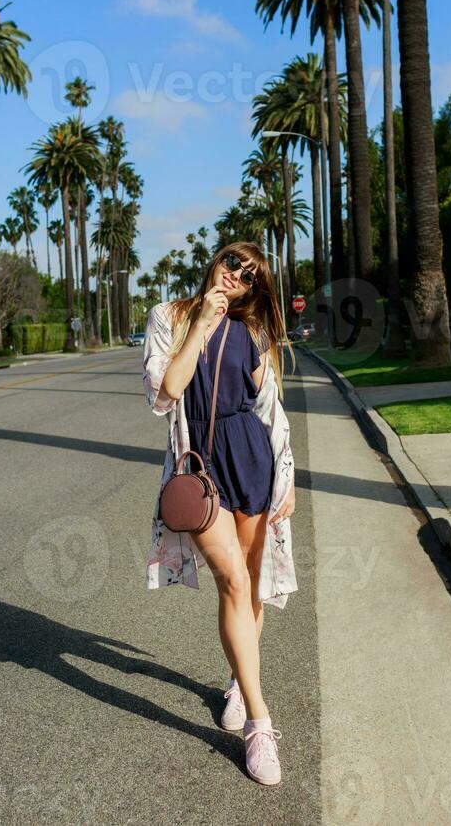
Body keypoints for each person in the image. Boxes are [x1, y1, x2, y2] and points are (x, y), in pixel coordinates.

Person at [141, 241, 298, 786]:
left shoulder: (253, 332)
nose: (237, 275)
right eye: (232, 262)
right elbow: (166, 392)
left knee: (249, 586)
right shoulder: (169, 317)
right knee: (231, 580)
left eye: (250, 275)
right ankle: (260, 723)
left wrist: (289, 474)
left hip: (251, 458)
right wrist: (204, 319)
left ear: (256, 290)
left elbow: (269, 406)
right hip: (198, 470)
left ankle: (238, 681)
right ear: (214, 263)